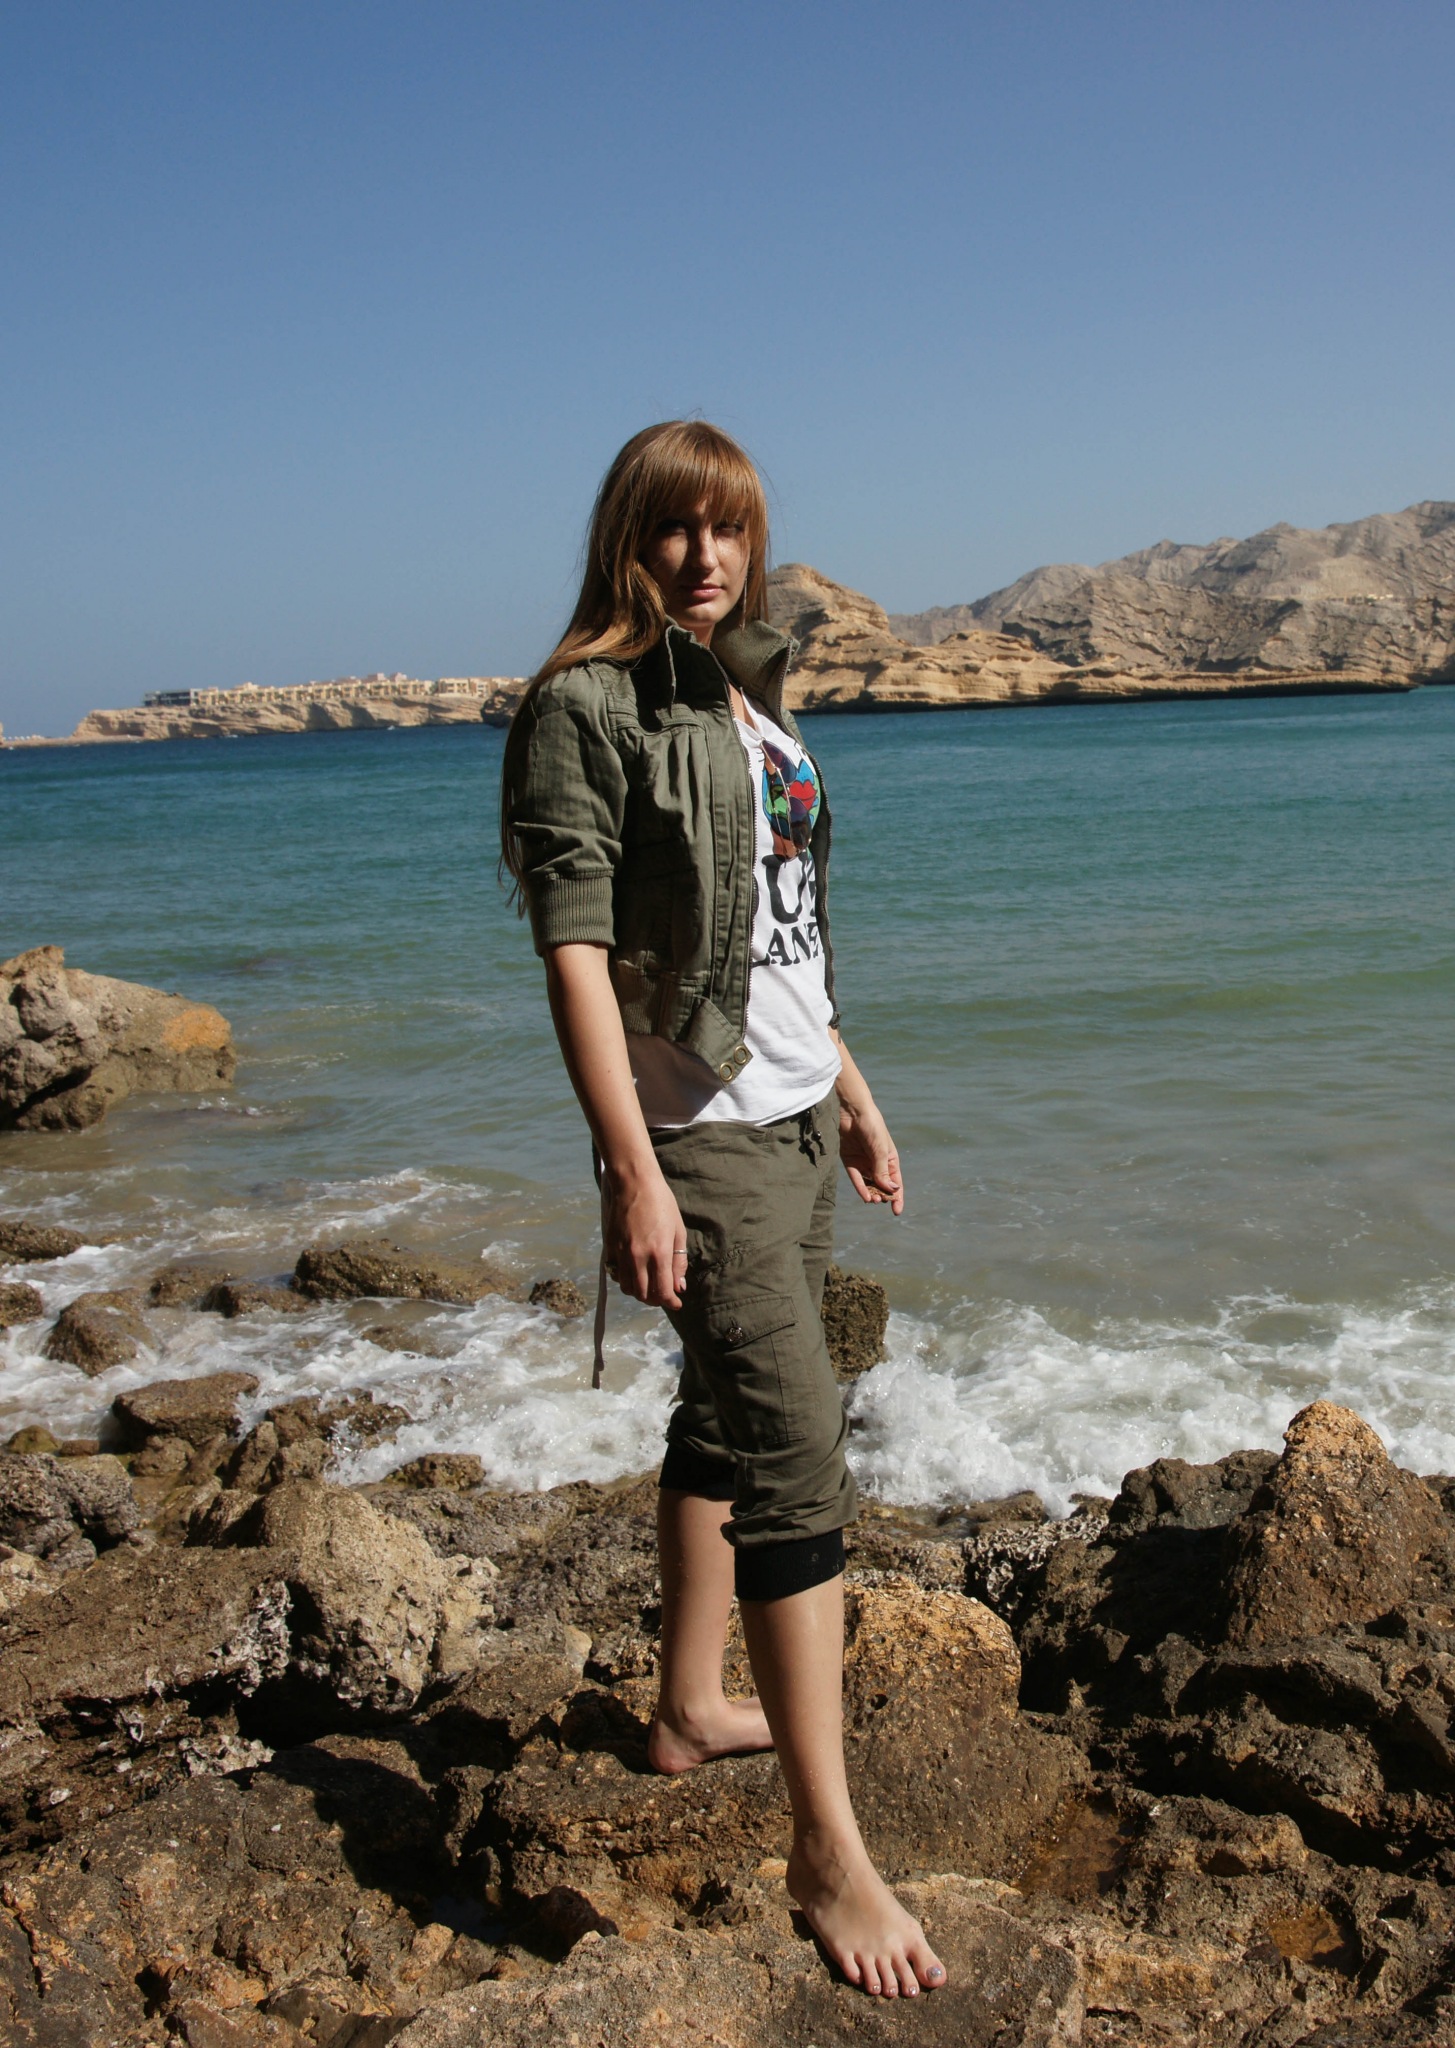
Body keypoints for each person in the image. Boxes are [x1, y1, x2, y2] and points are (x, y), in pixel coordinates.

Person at [499, 420, 946, 2000]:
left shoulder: (754, 698)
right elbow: (573, 951)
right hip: (699, 1137)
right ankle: (829, 1853)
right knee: (796, 1454)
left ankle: (689, 1708)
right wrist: (631, 1165)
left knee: (724, 1415)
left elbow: (784, 931)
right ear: (629, 538)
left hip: (797, 1119)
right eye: (677, 529)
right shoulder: (584, 707)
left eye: (731, 530)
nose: (706, 557)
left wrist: (855, 1090)